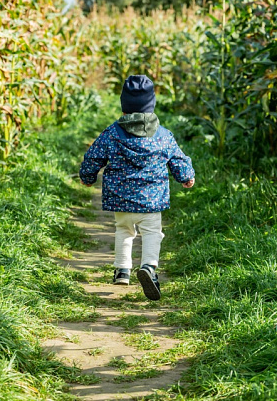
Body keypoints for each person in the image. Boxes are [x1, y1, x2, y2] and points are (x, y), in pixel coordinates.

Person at [79, 75, 195, 300]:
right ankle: (149, 267)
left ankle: (122, 270)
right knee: (152, 233)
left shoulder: (112, 133)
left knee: (124, 230)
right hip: (152, 201)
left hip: (121, 199)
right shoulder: (163, 135)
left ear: (124, 107)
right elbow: (178, 159)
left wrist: (87, 176)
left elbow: (94, 156)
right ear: (151, 106)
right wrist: (186, 176)